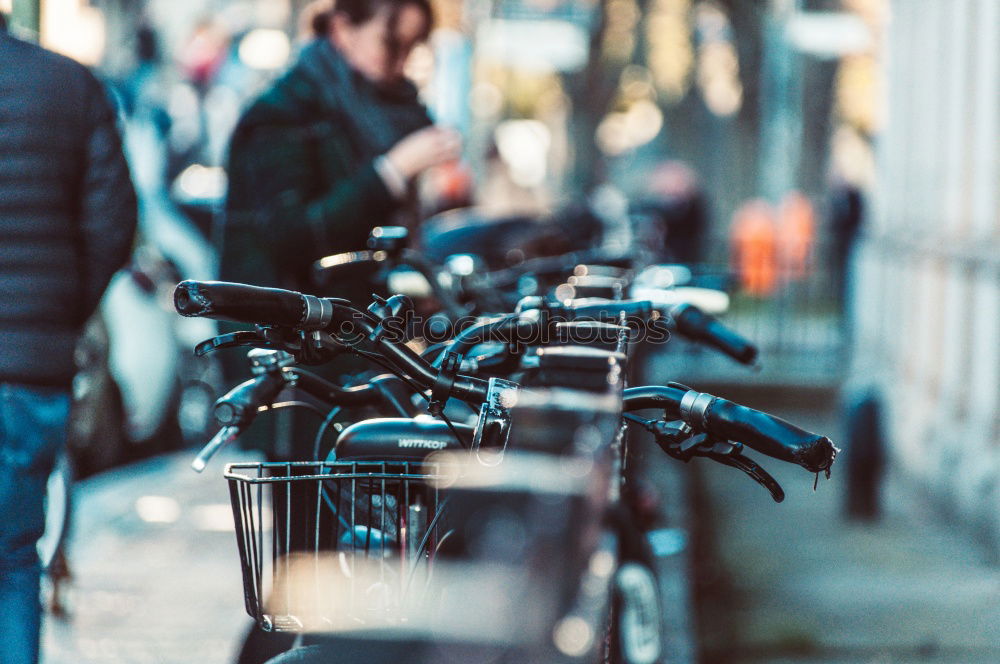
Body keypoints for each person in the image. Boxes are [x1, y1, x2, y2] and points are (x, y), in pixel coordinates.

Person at [0, 14, 138, 664]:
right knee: (14, 559)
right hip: (31, 372)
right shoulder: (70, 85)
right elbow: (114, 222)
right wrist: (59, 314)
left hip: (33, 356)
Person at [219, 0, 461, 296]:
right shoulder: (284, 112)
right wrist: (392, 170)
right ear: (342, 29)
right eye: (391, 43)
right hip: (280, 329)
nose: (401, 62)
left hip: (355, 321)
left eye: (411, 46)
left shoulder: (394, 110)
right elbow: (292, 240)